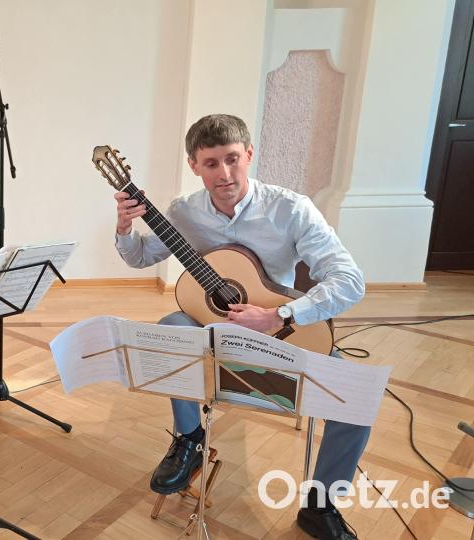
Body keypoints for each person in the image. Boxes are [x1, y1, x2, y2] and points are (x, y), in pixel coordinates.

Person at [114, 114, 366, 540]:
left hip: (280, 335)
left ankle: (320, 505)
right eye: (211, 163)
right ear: (194, 165)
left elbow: (349, 280)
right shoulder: (183, 212)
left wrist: (280, 315)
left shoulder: (291, 209)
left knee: (357, 400)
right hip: (214, 332)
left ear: (249, 154)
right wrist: (124, 226)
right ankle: (190, 439)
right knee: (170, 327)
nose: (225, 173)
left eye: (233, 159)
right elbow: (141, 258)